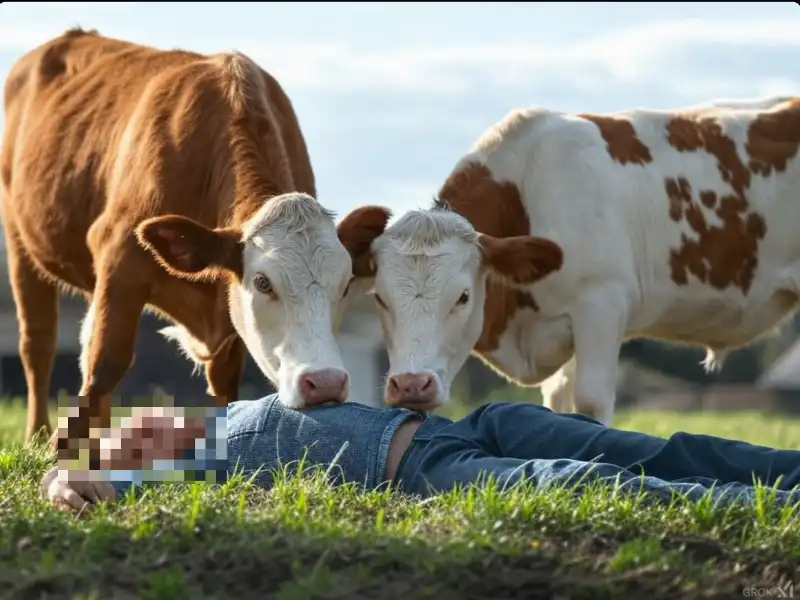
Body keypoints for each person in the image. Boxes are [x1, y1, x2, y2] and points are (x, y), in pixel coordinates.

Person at [42, 395, 800, 513]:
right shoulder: (195, 461)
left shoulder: (237, 400)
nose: (139, 424)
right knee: (579, 482)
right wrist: (65, 474)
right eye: (118, 434)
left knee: (659, 449)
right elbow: (69, 479)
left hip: (476, 423)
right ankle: (771, 508)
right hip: (421, 471)